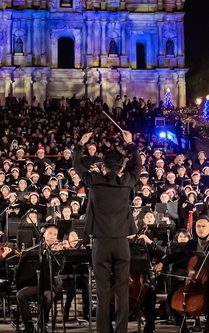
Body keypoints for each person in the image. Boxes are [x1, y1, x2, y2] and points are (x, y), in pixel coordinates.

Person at [73, 129, 141, 333]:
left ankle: (103, 330)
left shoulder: (94, 181)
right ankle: (121, 331)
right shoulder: (127, 181)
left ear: (103, 166)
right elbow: (137, 166)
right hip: (121, 243)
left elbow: (77, 165)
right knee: (122, 290)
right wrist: (131, 144)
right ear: (121, 168)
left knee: (102, 292)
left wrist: (80, 145)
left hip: (101, 243)